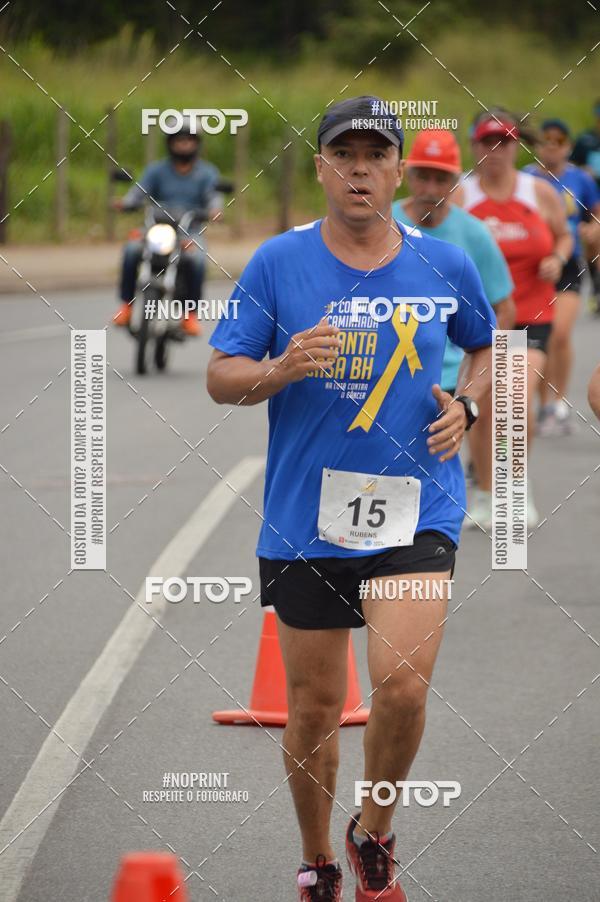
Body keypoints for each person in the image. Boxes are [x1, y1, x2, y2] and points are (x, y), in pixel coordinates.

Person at [207, 95, 495, 902]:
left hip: (418, 506)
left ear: (399, 170)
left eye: (377, 154)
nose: (361, 168)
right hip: (306, 517)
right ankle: (317, 859)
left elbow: (484, 346)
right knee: (313, 710)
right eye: (345, 153)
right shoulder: (277, 264)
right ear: (322, 167)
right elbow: (220, 377)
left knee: (402, 684)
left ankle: (373, 832)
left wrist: (467, 405)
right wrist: (283, 367)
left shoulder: (446, 262)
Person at [454, 109, 572, 527]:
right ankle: (487, 493)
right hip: (479, 322)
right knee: (478, 407)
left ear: (516, 146)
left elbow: (563, 233)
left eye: (506, 141)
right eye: (489, 141)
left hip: (530, 314)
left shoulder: (538, 193)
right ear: (475, 146)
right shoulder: (461, 197)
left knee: (515, 395)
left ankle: (515, 490)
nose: (497, 150)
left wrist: (557, 258)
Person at [392, 128, 514, 530]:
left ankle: (486, 489)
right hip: (389, 374)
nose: (430, 188)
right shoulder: (382, 222)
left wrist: (476, 381)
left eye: (441, 178)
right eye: (423, 176)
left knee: (493, 389)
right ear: (406, 172)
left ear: (456, 180)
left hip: (452, 375)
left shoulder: (472, 235)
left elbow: (503, 307)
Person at [112, 119, 223, 336]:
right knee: (132, 249)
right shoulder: (156, 170)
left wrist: (215, 211)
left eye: (188, 141)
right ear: (170, 143)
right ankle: (127, 306)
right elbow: (138, 192)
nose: (184, 146)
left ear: (197, 143)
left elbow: (214, 199)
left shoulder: (207, 173)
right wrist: (126, 202)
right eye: (179, 141)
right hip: (156, 229)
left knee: (197, 260)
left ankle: (189, 316)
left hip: (189, 232)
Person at [524, 118, 600, 435]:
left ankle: (558, 399)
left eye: (558, 143)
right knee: (539, 339)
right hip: (534, 267)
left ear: (568, 147)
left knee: (560, 333)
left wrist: (591, 230)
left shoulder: (580, 180)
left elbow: (595, 214)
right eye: (545, 142)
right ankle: (544, 405)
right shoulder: (526, 178)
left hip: (568, 263)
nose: (550, 148)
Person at [571, 100, 600, 310]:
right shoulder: (585, 141)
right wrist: (585, 170)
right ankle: (596, 290)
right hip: (590, 200)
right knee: (592, 245)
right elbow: (571, 167)